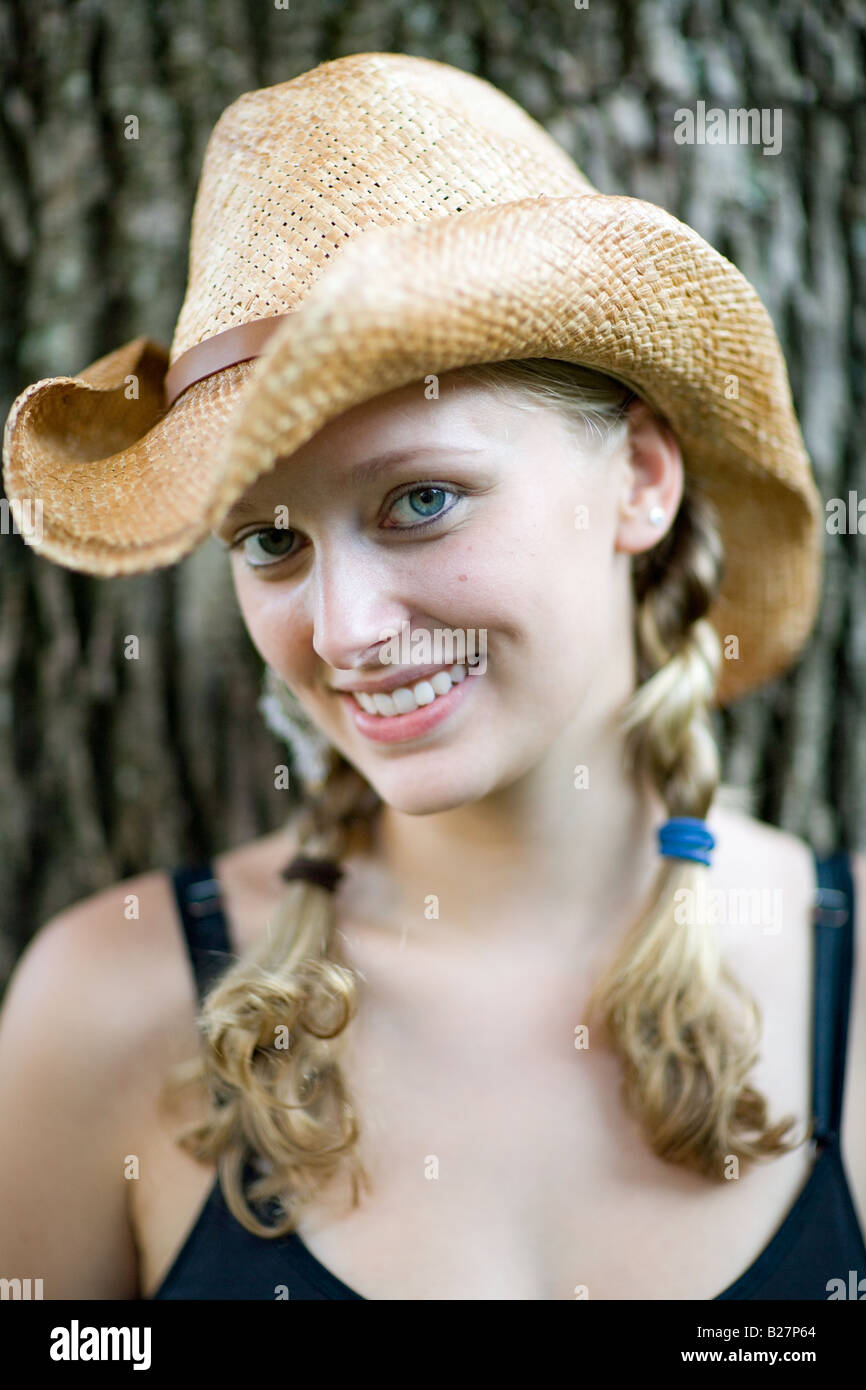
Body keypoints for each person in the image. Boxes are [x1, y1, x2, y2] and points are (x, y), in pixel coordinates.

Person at [1, 52, 864, 1302]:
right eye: (268, 540)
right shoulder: (106, 1014)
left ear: (638, 479)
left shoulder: (849, 995)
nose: (345, 630)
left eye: (420, 500)